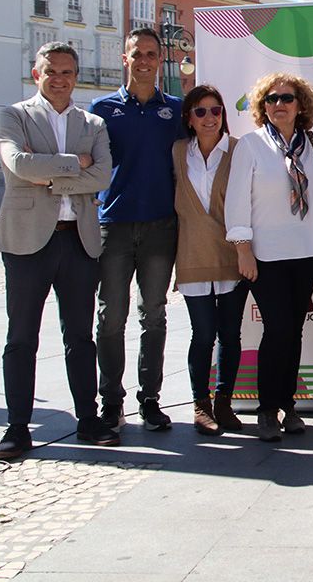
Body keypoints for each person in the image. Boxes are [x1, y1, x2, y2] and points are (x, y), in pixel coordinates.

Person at [0, 42, 119, 459]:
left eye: (66, 72)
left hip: (78, 240)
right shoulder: (15, 116)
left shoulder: (93, 123)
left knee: (80, 336)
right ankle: (17, 427)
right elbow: (20, 166)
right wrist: (72, 163)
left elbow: (101, 176)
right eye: (51, 71)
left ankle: (88, 418)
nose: (59, 79)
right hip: (27, 240)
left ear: (75, 77)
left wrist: (53, 174)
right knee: (22, 337)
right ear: (36, 74)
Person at [225, 73, 313, 442]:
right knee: (278, 330)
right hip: (267, 256)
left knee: (294, 331)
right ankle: (266, 409)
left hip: (307, 252)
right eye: (271, 99)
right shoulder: (251, 145)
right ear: (263, 107)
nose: (279, 105)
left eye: (287, 98)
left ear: (301, 104)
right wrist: (243, 248)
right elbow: (237, 201)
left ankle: (288, 406)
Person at [91, 27, 183, 434]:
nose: (144, 60)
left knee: (155, 316)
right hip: (113, 225)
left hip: (162, 226)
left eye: (151, 53)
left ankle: (150, 400)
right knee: (110, 318)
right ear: (124, 59)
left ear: (159, 60)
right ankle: (111, 402)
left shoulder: (178, 110)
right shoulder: (101, 108)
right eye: (137, 54)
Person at [172, 85, 247, 436]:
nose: (209, 118)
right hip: (192, 254)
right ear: (189, 118)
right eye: (200, 112)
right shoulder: (176, 153)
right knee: (203, 334)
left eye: (215, 110)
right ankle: (200, 404)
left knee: (230, 334)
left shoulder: (238, 150)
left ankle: (224, 402)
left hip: (231, 255)